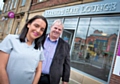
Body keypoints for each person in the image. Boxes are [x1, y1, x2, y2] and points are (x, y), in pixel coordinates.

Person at [0, 15, 48, 84]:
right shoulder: (11, 39)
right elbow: (1, 66)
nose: (38, 30)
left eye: (42, 29)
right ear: (28, 24)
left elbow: (38, 70)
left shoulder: (39, 48)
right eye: (36, 26)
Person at [38, 19, 70, 84]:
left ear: (61, 31)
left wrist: (65, 80)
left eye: (59, 29)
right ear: (51, 27)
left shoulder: (65, 45)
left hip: (51, 79)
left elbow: (67, 64)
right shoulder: (40, 38)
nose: (57, 31)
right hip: (34, 75)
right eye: (55, 28)